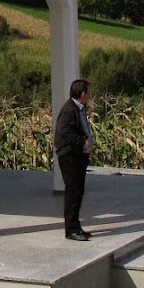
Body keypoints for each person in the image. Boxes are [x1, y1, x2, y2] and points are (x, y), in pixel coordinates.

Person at [54, 78, 94, 240]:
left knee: (78, 192)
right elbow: (65, 132)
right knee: (73, 193)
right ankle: (71, 230)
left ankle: (76, 226)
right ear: (83, 93)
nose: (90, 95)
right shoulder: (69, 110)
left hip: (78, 156)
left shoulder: (79, 108)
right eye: (88, 92)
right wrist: (82, 142)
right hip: (70, 157)